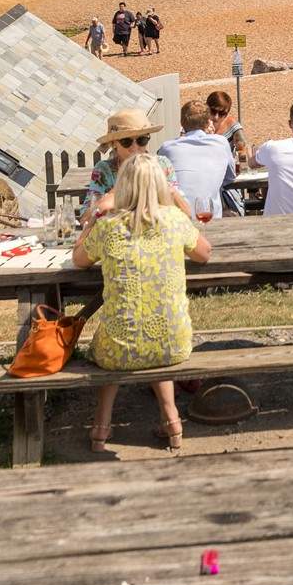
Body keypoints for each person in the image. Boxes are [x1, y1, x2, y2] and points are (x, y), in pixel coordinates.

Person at [75, 153, 211, 452]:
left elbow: (79, 259)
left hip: (119, 346)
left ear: (122, 186)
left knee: (119, 333)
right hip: (173, 343)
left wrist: (95, 216)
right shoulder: (174, 220)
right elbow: (204, 253)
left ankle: (101, 426)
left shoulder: (109, 227)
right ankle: (172, 420)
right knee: (153, 328)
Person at [81, 108, 188, 223]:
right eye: (126, 141)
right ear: (114, 144)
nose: (135, 147)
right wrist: (119, 190)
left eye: (142, 140)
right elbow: (85, 218)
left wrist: (166, 188)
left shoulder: (162, 164)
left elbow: (186, 213)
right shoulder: (104, 170)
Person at [158, 100, 237, 221]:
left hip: (178, 221)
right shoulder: (221, 142)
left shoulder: (167, 148)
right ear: (207, 123)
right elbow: (230, 177)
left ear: (182, 123)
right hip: (210, 219)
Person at [206, 90, 250, 215]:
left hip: (225, 178)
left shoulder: (232, 125)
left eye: (222, 114)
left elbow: (243, 149)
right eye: (213, 111)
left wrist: (242, 165)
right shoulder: (199, 123)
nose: (216, 117)